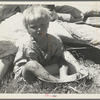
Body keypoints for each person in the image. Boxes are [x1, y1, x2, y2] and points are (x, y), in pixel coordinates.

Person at [13, 5, 88, 83]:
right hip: (28, 73)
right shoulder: (27, 44)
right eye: (34, 27)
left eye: (42, 25)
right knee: (32, 64)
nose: (39, 29)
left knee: (64, 55)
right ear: (27, 29)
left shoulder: (54, 39)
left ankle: (68, 75)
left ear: (48, 24)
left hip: (45, 67)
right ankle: (56, 81)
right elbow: (35, 67)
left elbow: (62, 55)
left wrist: (77, 67)